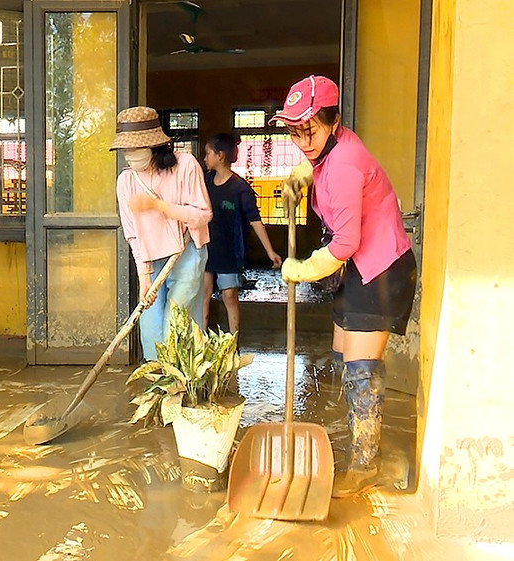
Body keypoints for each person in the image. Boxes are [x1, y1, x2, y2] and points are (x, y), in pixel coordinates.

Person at [273, 75, 418, 497]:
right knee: (341, 353)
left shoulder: (345, 164)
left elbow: (345, 242)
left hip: (378, 271)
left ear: (334, 122)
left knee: (361, 370)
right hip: (356, 267)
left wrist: (301, 269)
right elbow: (316, 164)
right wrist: (302, 175)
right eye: (295, 132)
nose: (304, 141)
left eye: (311, 130)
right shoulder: (330, 151)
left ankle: (364, 465)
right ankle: (354, 437)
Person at [111, 106, 213, 361]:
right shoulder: (126, 182)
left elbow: (204, 214)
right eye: (126, 150)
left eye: (134, 149)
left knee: (177, 323)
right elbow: (133, 234)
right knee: (151, 327)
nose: (130, 156)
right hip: (150, 258)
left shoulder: (185, 166)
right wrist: (144, 277)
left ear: (154, 146)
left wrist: (161, 207)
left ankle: (185, 386)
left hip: (187, 253)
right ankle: (160, 387)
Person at [202, 133, 282, 334]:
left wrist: (270, 252)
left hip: (230, 251)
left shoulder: (240, 189)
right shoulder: (205, 181)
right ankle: (200, 341)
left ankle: (232, 342)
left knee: (229, 295)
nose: (205, 158)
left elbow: (255, 220)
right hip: (205, 247)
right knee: (204, 292)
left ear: (220, 156)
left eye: (208, 154)